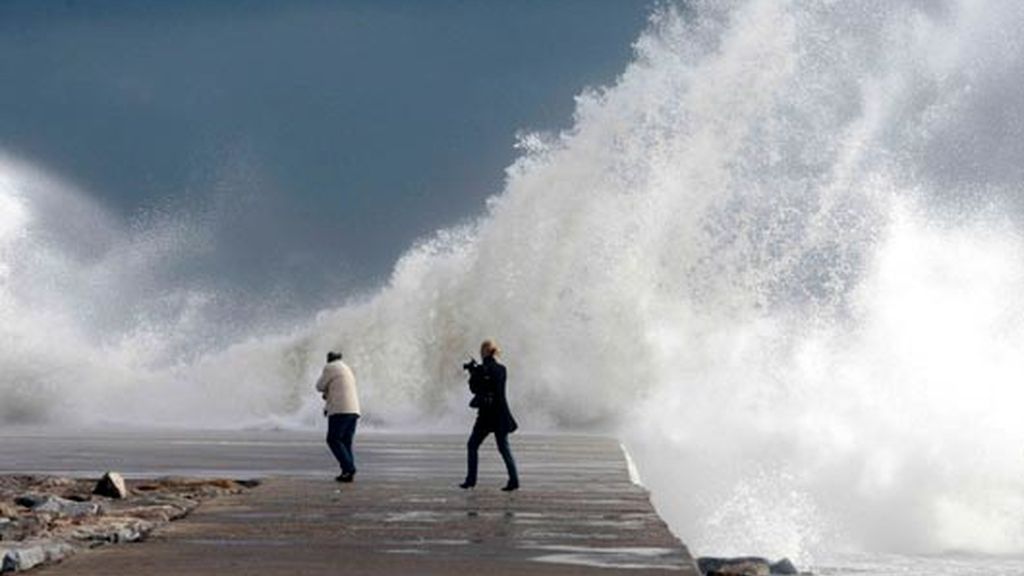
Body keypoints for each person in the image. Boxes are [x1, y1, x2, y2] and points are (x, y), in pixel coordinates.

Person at [460, 340, 519, 491]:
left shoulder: (482, 370)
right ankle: (514, 480)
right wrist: (477, 371)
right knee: (504, 448)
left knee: (472, 445)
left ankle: (471, 480)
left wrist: (473, 373)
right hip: (500, 413)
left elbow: (474, 389)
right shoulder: (502, 369)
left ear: (484, 352)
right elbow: (494, 386)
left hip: (486, 415)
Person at [315, 351, 361, 482]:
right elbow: (336, 391)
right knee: (346, 442)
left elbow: (319, 386)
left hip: (340, 410)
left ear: (329, 359)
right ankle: (347, 472)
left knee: (333, 439)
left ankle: (349, 468)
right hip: (354, 410)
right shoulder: (347, 369)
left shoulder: (331, 367)